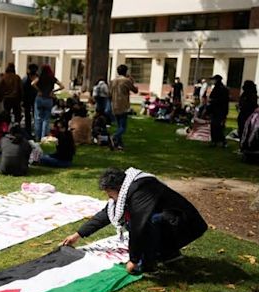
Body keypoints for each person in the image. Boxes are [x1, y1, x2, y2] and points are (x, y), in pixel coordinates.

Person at [62, 167, 207, 274]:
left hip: (185, 224)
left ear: (117, 188)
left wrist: (134, 259)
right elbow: (105, 214)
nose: (108, 197)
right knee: (138, 222)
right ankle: (166, 253)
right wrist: (77, 235)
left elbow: (139, 226)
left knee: (141, 223)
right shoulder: (128, 188)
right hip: (170, 220)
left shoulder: (141, 190)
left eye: (109, 193)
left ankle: (156, 259)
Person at [31, 64, 64, 142]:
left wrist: (39, 90)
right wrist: (53, 91)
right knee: (46, 119)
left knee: (38, 118)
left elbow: (32, 83)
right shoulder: (52, 78)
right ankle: (43, 137)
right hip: (48, 99)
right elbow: (62, 86)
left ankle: (37, 137)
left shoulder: (40, 77)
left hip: (39, 98)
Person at [109, 64, 138, 150]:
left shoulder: (113, 81)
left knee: (119, 126)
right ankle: (114, 137)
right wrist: (132, 81)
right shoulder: (126, 81)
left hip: (114, 105)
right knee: (123, 128)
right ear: (125, 72)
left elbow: (109, 93)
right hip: (123, 106)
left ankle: (119, 144)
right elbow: (135, 90)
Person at [208, 74, 229, 148]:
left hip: (219, 110)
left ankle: (222, 141)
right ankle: (215, 141)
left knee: (218, 127)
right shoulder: (218, 88)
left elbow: (222, 101)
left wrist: (212, 101)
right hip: (216, 110)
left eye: (214, 79)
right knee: (214, 126)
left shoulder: (221, 89)